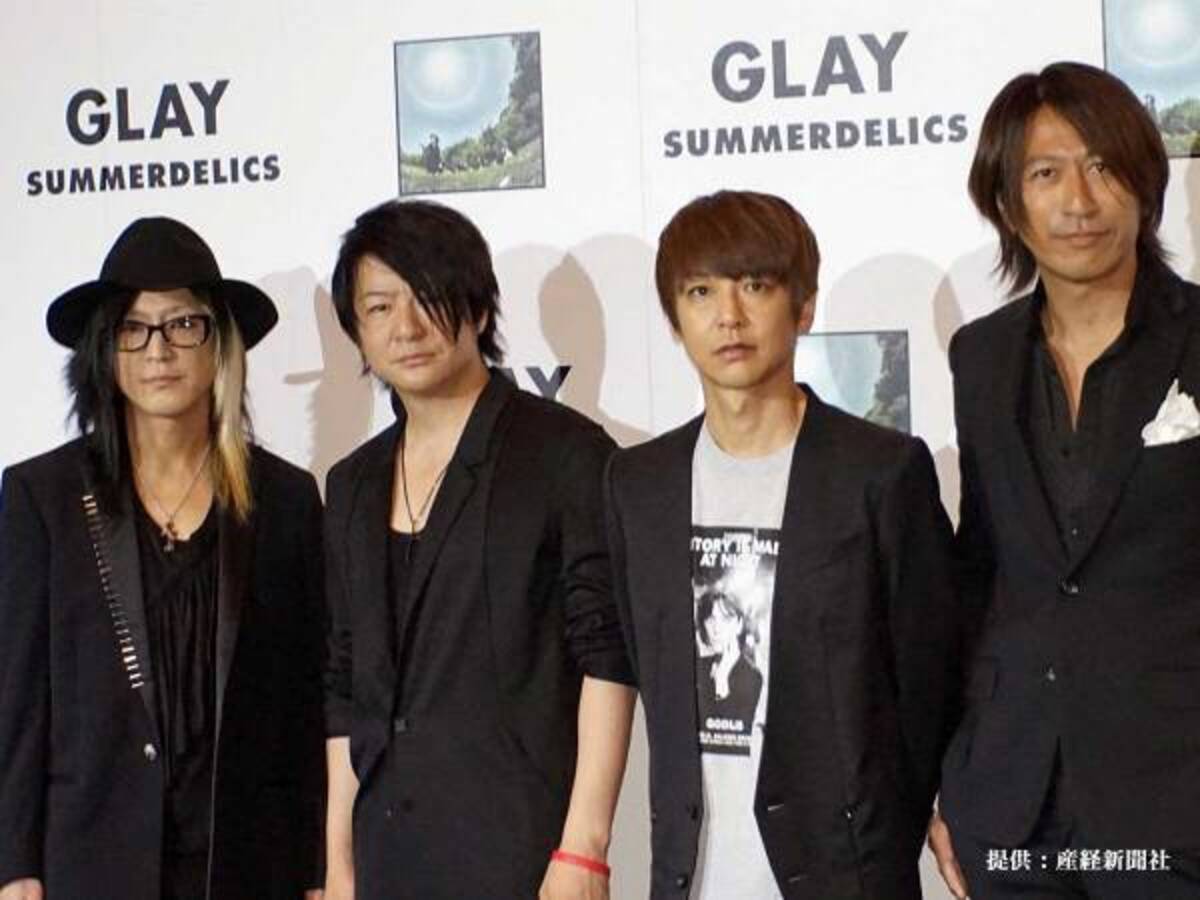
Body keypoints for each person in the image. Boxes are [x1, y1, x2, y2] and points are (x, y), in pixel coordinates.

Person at [605, 190, 958, 899]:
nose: (728, 316)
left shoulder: (881, 472)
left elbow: (932, 676)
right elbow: (639, 662)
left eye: (756, 286)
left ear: (803, 307)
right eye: (701, 292)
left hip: (847, 869)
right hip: (688, 873)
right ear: (674, 318)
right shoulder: (637, 485)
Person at [928, 61, 1200, 899]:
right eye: (1046, 174)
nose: (1079, 201)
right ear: (1009, 206)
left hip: (1175, 808)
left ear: (1146, 187)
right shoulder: (980, 357)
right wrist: (952, 776)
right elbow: (983, 573)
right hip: (1011, 805)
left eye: (1104, 167)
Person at [0, 217, 326, 900]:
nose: (159, 350)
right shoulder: (42, 496)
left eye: (183, 324)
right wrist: (13, 863)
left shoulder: (286, 500)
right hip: (90, 861)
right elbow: (18, 699)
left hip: (247, 864)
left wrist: (317, 865)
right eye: (134, 327)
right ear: (105, 347)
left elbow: (306, 703)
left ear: (220, 343)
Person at [321, 199, 636, 899]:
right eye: (379, 308)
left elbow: (607, 657)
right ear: (358, 331)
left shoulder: (564, 454)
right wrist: (339, 867)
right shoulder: (351, 484)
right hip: (386, 857)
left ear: (479, 308)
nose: (406, 327)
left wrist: (584, 847)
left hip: (522, 853)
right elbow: (343, 686)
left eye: (427, 297)